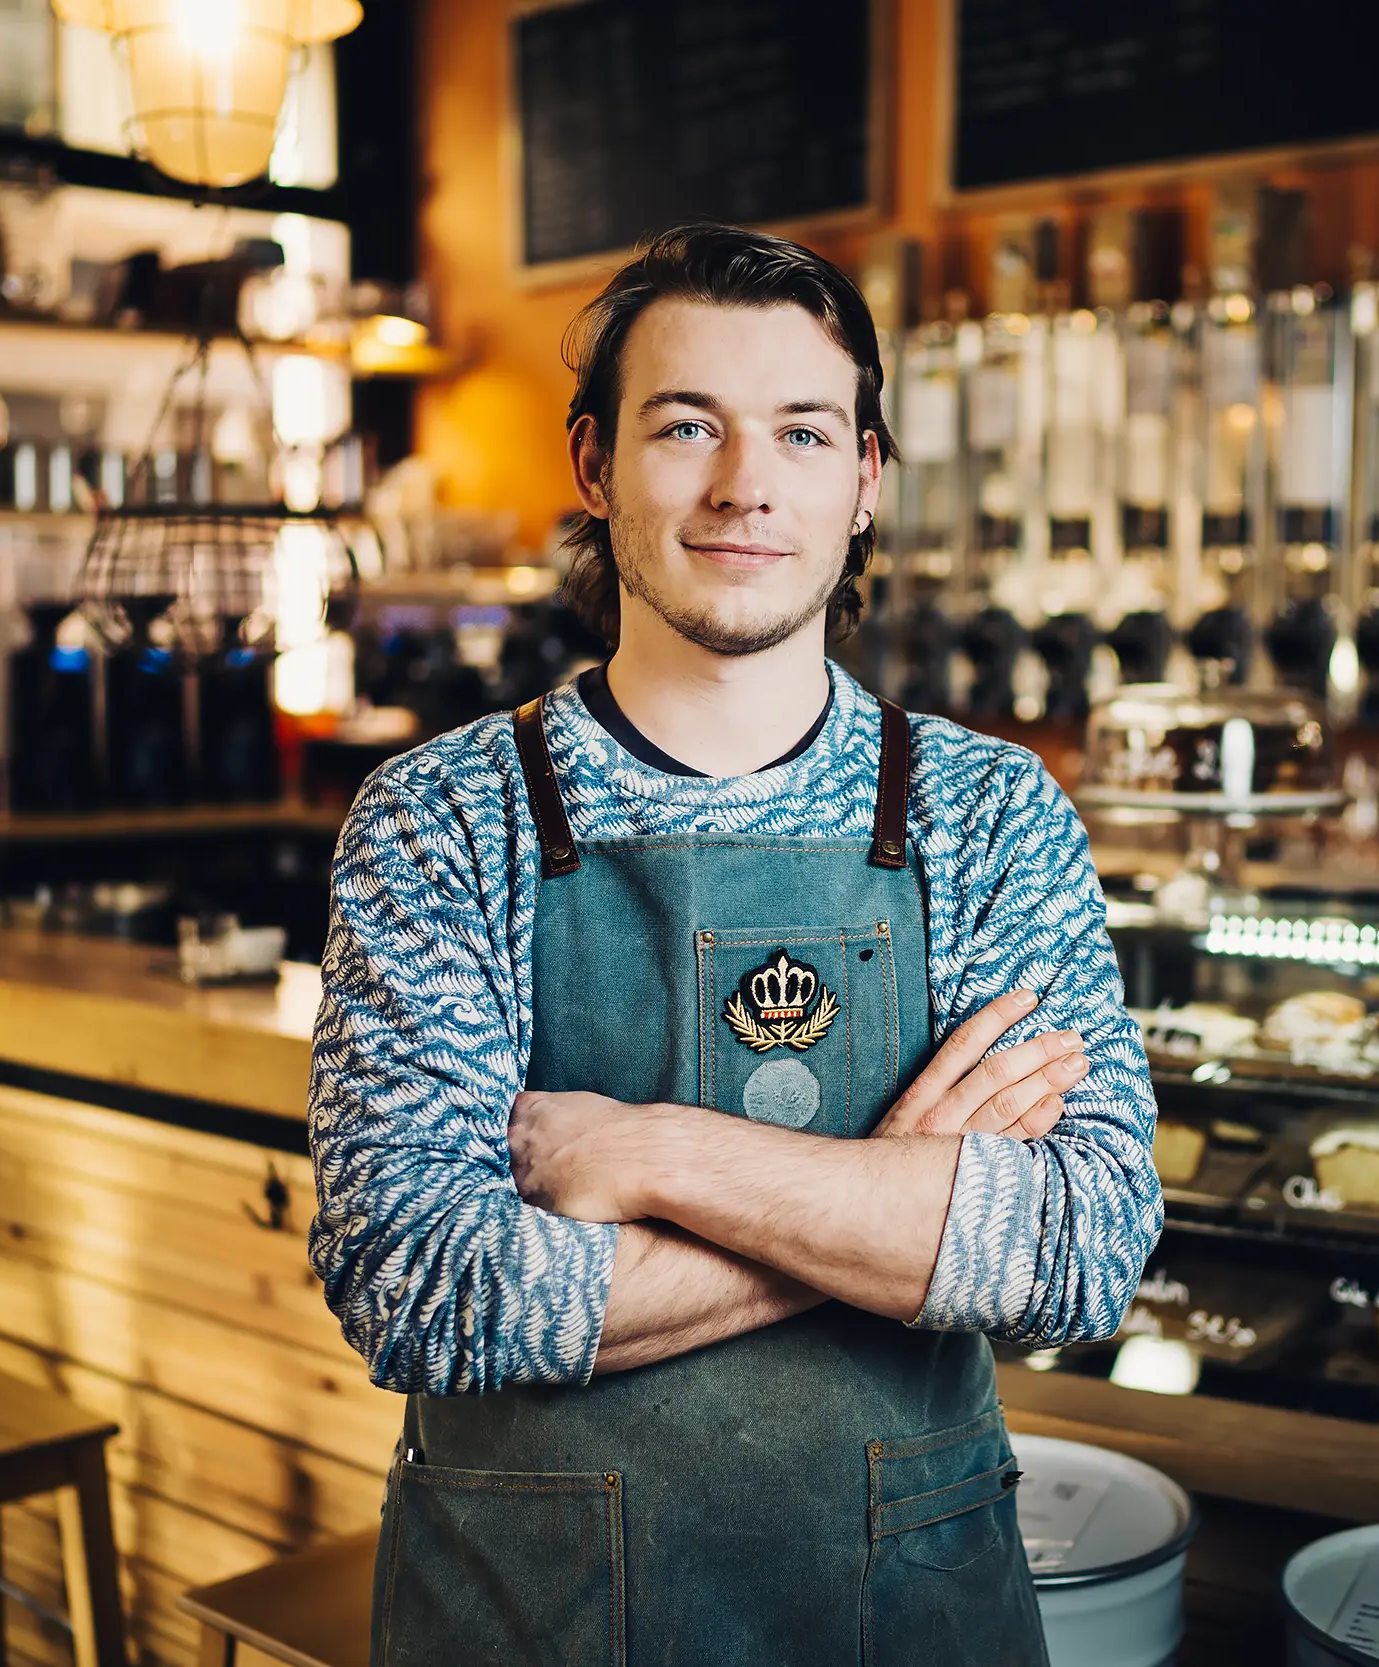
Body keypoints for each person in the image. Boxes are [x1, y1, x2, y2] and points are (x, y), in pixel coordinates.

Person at [307, 222, 1162, 1666]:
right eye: (687, 425)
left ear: (865, 481)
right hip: (528, 1618)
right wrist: (897, 1185)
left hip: (910, 1618)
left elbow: (1082, 1247)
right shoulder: (442, 818)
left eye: (803, 433)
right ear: (594, 464)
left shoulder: (987, 811)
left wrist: (658, 1156)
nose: (744, 484)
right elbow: (421, 1283)